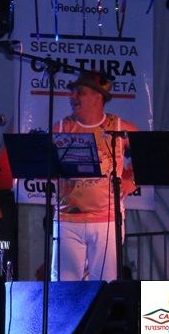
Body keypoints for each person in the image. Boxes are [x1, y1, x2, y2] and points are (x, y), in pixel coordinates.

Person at [51, 71, 138, 282]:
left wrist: (132, 181)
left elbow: (149, 155)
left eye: (79, 92)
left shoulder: (120, 128)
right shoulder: (62, 128)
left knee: (104, 284)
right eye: (73, 92)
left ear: (97, 97)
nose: (72, 97)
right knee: (64, 286)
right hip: (67, 219)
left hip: (107, 220)